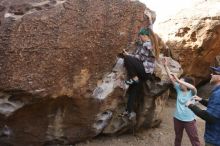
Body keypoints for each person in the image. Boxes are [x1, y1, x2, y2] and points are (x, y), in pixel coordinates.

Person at [119, 28, 158, 119]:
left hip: (144, 71)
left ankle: (134, 78)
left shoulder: (147, 44)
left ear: (145, 36)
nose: (140, 38)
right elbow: (140, 58)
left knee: (127, 59)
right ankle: (128, 111)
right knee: (133, 90)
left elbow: (140, 58)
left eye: (140, 36)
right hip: (144, 73)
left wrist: (127, 55)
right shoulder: (149, 43)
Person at [163, 58, 201, 146]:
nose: (179, 83)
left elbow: (192, 87)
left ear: (186, 84)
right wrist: (165, 66)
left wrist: (178, 80)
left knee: (194, 139)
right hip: (177, 118)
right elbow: (170, 77)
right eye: (179, 82)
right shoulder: (178, 89)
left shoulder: (192, 92)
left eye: (181, 82)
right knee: (178, 137)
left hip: (189, 120)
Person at [186, 66, 220, 146]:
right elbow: (216, 108)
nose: (211, 74)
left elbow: (210, 117)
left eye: (215, 73)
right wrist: (201, 100)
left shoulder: (218, 94)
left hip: (214, 139)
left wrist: (190, 105)